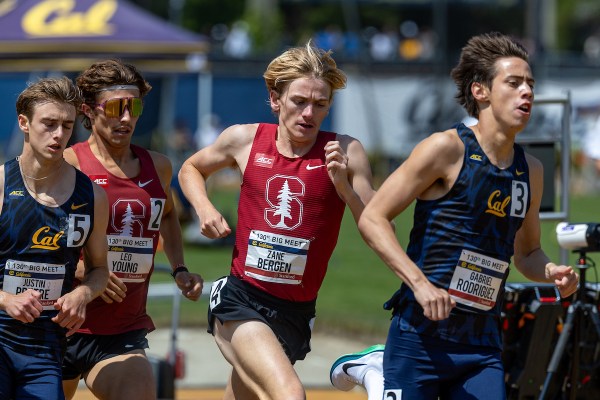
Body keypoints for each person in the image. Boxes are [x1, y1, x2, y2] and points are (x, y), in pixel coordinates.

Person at [331, 32, 580, 399]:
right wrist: (420, 285)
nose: (527, 91)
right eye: (513, 83)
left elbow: (526, 253)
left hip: (482, 345)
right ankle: (376, 368)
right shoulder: (445, 148)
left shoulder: (533, 171)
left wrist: (550, 272)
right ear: (481, 91)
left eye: (530, 83)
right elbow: (373, 218)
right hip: (420, 337)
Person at [178, 41, 375, 399]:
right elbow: (191, 167)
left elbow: (380, 230)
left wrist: (346, 190)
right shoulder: (245, 139)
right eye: (299, 101)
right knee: (287, 393)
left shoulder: (345, 151)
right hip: (241, 298)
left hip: (296, 312)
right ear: (275, 99)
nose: (309, 114)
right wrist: (204, 208)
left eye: (320, 104)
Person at [60, 59, 204, 400]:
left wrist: (180, 268)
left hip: (122, 328)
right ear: (88, 110)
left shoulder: (159, 166)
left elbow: (167, 215)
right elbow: (38, 235)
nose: (126, 118)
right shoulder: (70, 164)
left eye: (134, 106)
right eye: (115, 107)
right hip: (60, 323)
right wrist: (87, 270)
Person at [0, 77, 109, 399]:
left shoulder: (92, 196)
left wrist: (83, 295)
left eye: (67, 125)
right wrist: (6, 300)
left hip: (46, 347)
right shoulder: (2, 185)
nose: (59, 135)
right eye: (49, 124)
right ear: (24, 123)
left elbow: (100, 269)